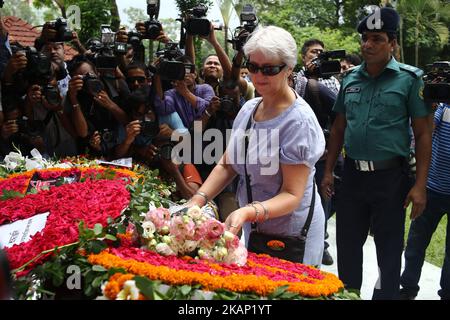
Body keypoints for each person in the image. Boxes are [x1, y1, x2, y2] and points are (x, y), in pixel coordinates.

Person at [187, 25, 326, 267]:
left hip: (291, 233)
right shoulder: (249, 110)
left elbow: (292, 194)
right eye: (252, 67)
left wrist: (247, 211)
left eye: (269, 69)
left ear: (289, 68)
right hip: (256, 226)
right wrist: (198, 199)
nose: (259, 76)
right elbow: (229, 163)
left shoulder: (298, 121)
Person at [321, 7, 432, 299]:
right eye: (365, 38)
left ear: (392, 43)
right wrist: (329, 169)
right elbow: (338, 128)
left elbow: (422, 134)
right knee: (347, 248)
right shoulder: (350, 79)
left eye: (377, 39)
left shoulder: (410, 79)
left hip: (390, 179)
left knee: (389, 250)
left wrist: (420, 186)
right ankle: (349, 295)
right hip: (353, 177)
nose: (367, 44)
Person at [400, 102, 450, 300]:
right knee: (415, 244)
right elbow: (425, 132)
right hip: (431, 189)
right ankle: (408, 288)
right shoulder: (444, 108)